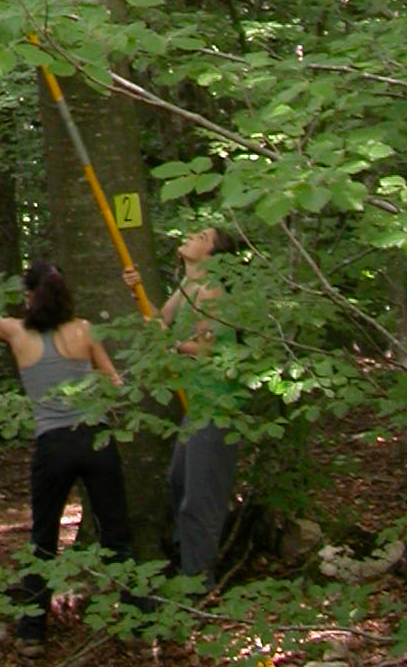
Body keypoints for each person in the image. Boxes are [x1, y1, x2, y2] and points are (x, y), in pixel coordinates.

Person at [0, 256, 135, 651]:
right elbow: (114, 382)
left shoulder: (18, 332)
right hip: (95, 439)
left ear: (29, 297)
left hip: (53, 446)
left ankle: (31, 632)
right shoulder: (84, 331)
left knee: (43, 537)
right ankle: (140, 622)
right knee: (116, 534)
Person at [161, 223, 245, 588]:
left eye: (203, 237)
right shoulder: (187, 289)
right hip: (195, 407)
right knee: (177, 481)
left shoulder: (212, 294)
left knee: (199, 498)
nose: (192, 236)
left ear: (212, 256)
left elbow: (208, 350)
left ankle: (198, 581)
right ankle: (188, 563)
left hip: (217, 405)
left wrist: (176, 347)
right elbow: (159, 322)